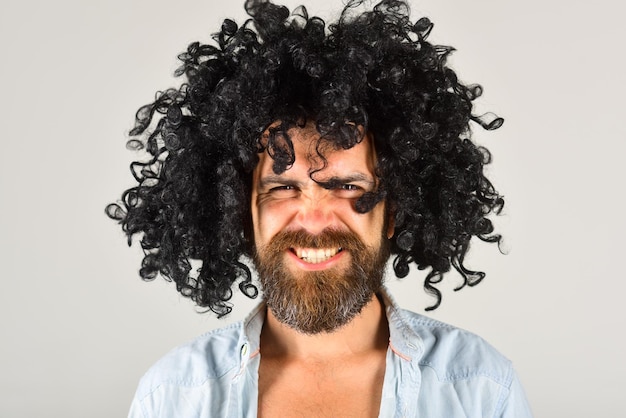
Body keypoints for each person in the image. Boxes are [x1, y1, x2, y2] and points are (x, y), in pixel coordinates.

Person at [107, 0, 533, 416]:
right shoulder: (172, 398)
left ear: (395, 211)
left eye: (347, 186)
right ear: (240, 210)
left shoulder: (480, 390)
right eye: (282, 188)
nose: (313, 219)